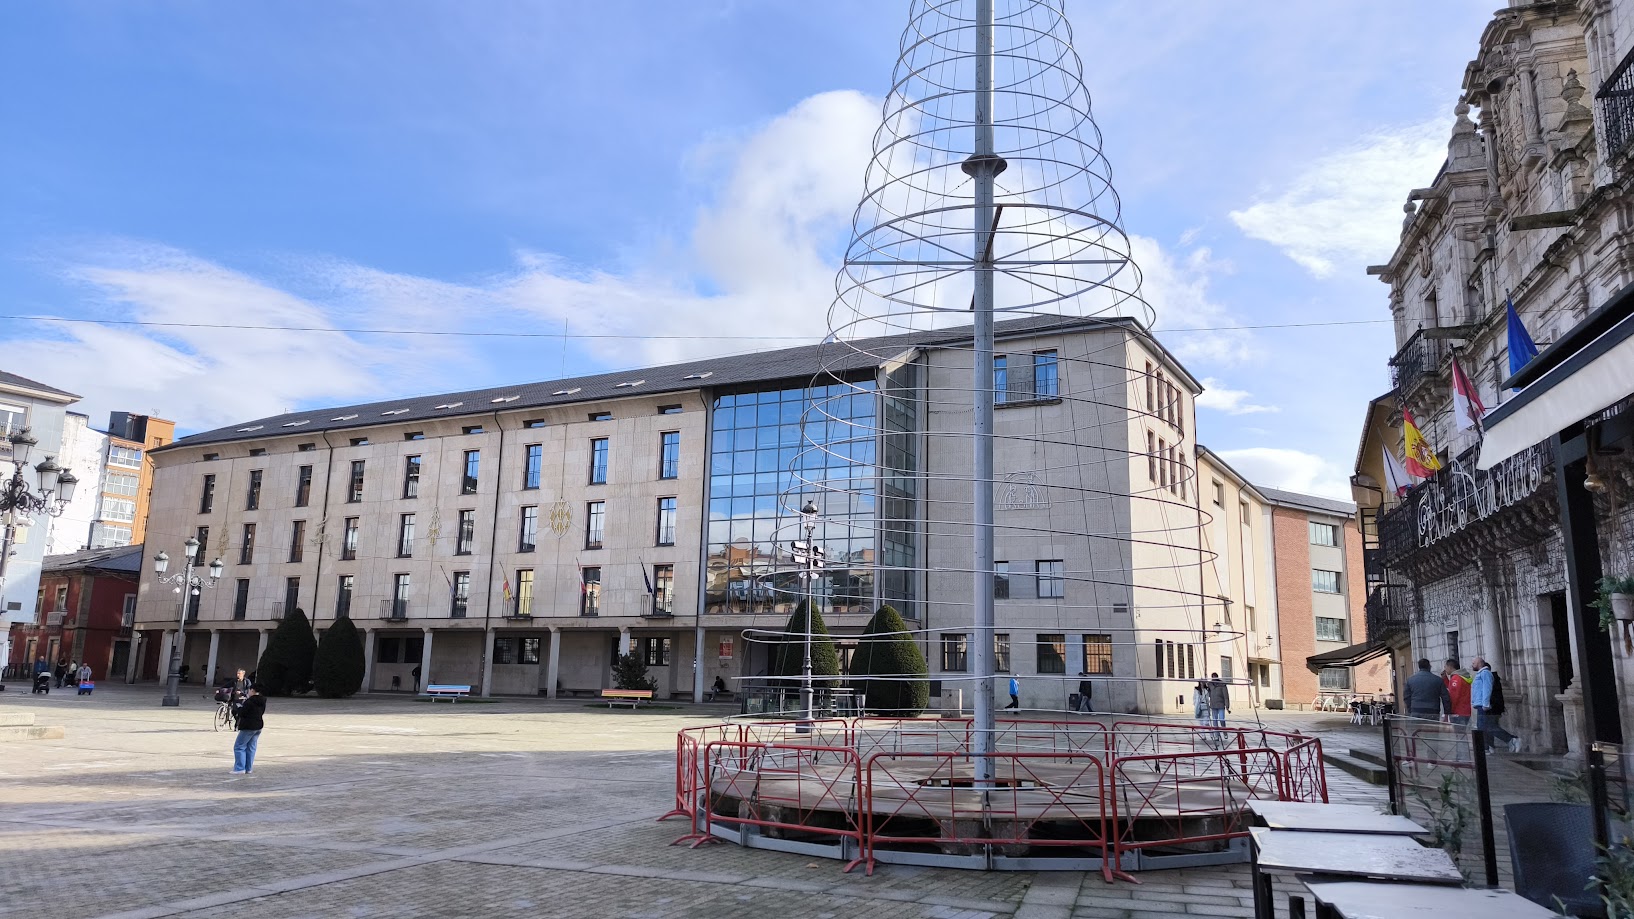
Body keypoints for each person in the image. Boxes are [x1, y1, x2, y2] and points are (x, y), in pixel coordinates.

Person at [1471, 657, 1520, 753]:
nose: (1472, 665)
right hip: (1480, 705)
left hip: (1483, 705)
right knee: (1482, 727)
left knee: (1487, 726)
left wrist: (1485, 704)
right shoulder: (1481, 674)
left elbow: (1487, 689)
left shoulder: (1485, 673)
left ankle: (1511, 739)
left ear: (1479, 663)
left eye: (1473, 663)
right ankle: (1488, 747)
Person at [232, 685, 266, 775]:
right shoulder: (262, 700)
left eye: (249, 690)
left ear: (252, 690)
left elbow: (243, 713)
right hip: (258, 725)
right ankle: (248, 768)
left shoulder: (250, 701)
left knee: (239, 746)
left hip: (248, 726)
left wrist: (238, 708)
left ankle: (239, 768)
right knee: (251, 747)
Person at [1441, 659, 1472, 728]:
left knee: (1459, 734)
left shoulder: (1456, 678)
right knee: (1462, 734)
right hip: (1465, 710)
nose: (1445, 669)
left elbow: (1454, 696)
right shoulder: (1461, 676)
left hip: (1458, 711)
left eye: (1445, 667)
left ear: (1450, 667)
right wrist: (1445, 679)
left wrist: (1449, 711)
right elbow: (1452, 688)